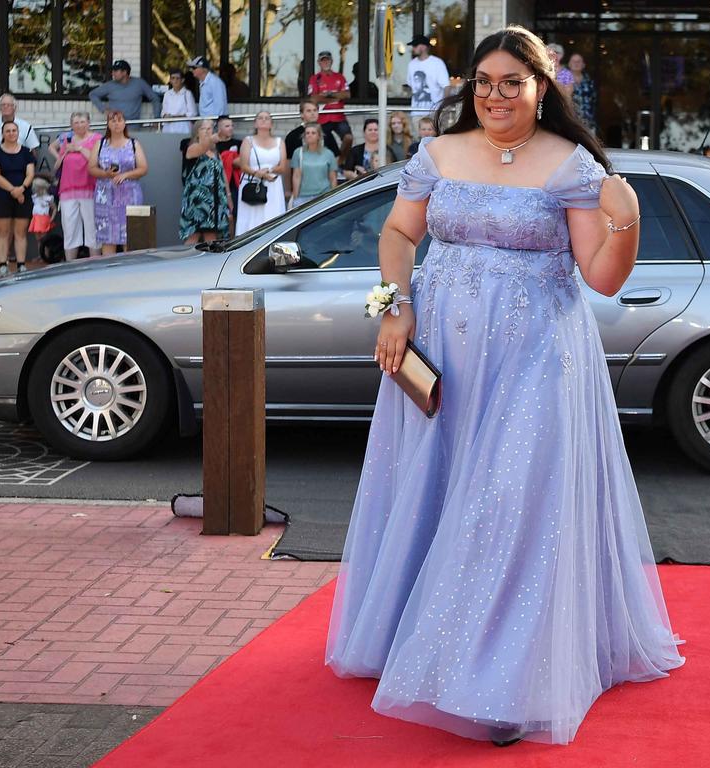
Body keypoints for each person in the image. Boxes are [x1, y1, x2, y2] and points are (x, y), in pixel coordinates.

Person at [325, 24, 684, 747]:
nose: (495, 95)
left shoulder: (573, 166)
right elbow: (398, 236)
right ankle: (415, 635)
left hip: (537, 357)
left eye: (511, 83)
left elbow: (603, 279)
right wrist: (396, 309)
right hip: (447, 355)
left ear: (541, 88)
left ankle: (502, 680)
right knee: (439, 487)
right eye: (482, 83)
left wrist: (629, 223)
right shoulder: (438, 154)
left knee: (511, 503)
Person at [89, 110, 148, 255]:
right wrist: (106, 173)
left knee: (130, 236)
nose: (116, 124)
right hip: (106, 196)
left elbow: (143, 168)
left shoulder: (133, 144)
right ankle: (109, 272)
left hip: (129, 196)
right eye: (113, 120)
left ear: (124, 123)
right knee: (108, 237)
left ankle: (130, 272)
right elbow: (91, 168)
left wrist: (126, 174)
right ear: (108, 124)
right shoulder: (100, 144)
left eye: (119, 120)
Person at [49, 111, 102, 261]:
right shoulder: (67, 139)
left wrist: (79, 149)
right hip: (68, 190)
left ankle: (95, 264)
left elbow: (96, 161)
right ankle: (71, 265)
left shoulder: (97, 139)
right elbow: (57, 165)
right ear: (71, 125)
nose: (79, 125)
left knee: (92, 229)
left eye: (82, 122)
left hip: (89, 188)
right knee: (70, 229)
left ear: (88, 123)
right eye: (76, 123)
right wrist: (65, 151)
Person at [0, 119, 35, 276]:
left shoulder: (26, 152)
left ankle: (21, 264)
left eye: (14, 130)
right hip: (2, 195)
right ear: (2, 134)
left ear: (18, 133)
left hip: (24, 195)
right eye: (7, 131)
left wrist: (21, 189)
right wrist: (13, 191)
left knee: (20, 232)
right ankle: (3, 264)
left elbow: (30, 174)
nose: (11, 133)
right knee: (3, 231)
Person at [179, 119, 232, 244]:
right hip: (197, 200)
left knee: (212, 235)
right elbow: (202, 147)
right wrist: (212, 139)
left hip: (215, 199)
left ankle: (209, 261)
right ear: (197, 132)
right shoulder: (191, 147)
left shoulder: (214, 151)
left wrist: (228, 196)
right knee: (194, 235)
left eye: (210, 129)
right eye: (205, 129)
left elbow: (222, 173)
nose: (209, 131)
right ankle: (186, 262)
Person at [235, 111, 288, 234]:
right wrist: (258, 173)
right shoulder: (248, 141)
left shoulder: (280, 142)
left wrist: (269, 170)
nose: (263, 120)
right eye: (260, 118)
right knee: (251, 218)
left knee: (272, 216)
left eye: (267, 118)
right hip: (253, 183)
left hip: (273, 184)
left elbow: (283, 167)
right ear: (255, 123)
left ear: (271, 124)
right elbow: (243, 165)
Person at [307, 51, 353, 156]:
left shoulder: (340, 77)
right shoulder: (315, 78)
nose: (325, 62)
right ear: (319, 62)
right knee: (328, 146)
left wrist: (327, 95)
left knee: (348, 138)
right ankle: (335, 161)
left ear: (331, 61)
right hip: (322, 117)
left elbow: (347, 95)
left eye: (327, 60)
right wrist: (336, 96)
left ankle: (341, 161)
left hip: (339, 116)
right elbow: (313, 98)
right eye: (323, 60)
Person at [89, 60, 162, 122]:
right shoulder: (109, 85)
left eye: (115, 71)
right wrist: (104, 109)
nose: (112, 73)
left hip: (133, 126)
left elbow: (155, 98)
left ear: (124, 72)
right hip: (114, 125)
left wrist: (156, 118)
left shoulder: (139, 83)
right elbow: (93, 94)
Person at [290, 122, 337, 208]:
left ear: (319, 136)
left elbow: (333, 178)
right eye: (307, 133)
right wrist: (296, 198)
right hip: (303, 197)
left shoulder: (328, 153)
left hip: (323, 196)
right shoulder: (298, 153)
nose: (309, 135)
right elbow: (296, 176)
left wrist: (333, 197)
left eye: (313, 133)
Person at [406, 34, 450, 119]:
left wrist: (442, 108)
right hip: (416, 112)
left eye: (415, 45)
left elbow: (446, 87)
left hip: (433, 113)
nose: (413, 48)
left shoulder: (437, 63)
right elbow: (410, 87)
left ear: (423, 47)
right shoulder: (411, 64)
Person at [567, 52, 596, 132]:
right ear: (569, 64)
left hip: (588, 122)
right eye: (574, 61)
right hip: (570, 122)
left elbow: (593, 100)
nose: (576, 63)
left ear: (583, 65)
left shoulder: (588, 80)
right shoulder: (564, 76)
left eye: (579, 61)